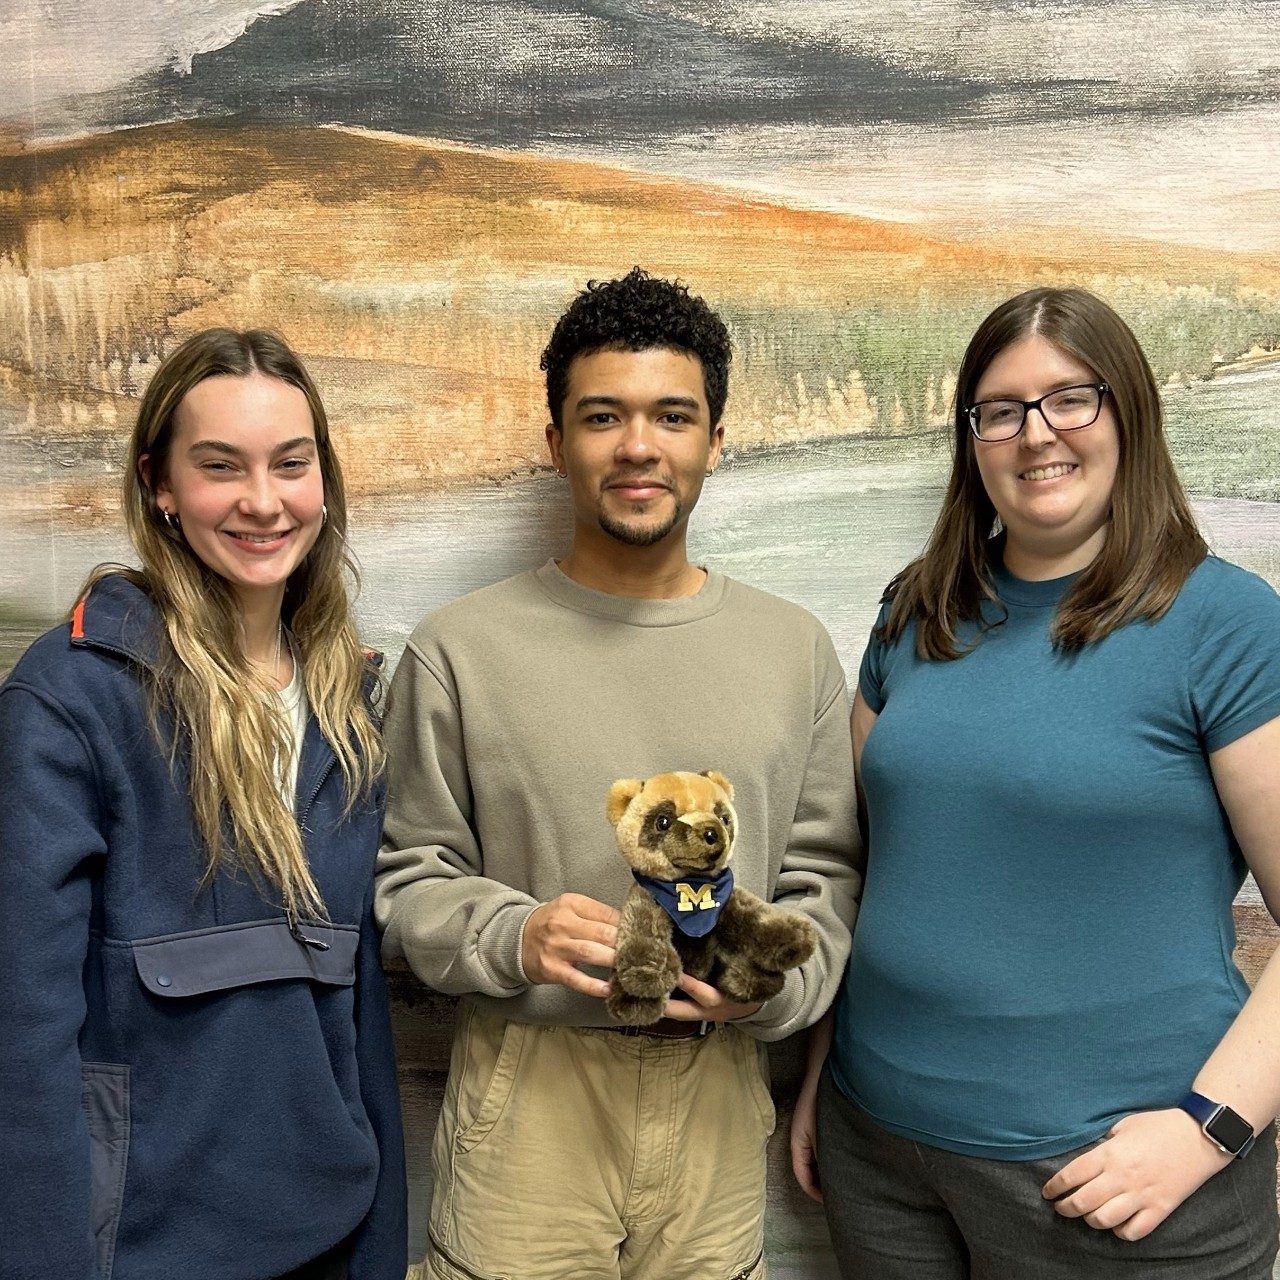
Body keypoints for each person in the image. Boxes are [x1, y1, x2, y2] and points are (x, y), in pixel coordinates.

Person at [376, 267, 860, 1280]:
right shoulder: (458, 649)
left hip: (718, 1102)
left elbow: (824, 881)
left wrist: (761, 989)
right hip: (528, 1097)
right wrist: (516, 931)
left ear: (713, 441)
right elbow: (404, 875)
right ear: (556, 442)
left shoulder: (793, 649)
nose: (637, 444)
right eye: (602, 415)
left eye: (670, 415)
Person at [791, 286, 1280, 1278]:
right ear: (970, 438)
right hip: (877, 1150)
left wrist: (1203, 1129)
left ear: (1126, 414)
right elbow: (864, 866)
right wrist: (815, 1074)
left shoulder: (1223, 623)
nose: (1034, 433)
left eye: (1070, 398)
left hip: (1108, 1177)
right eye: (999, 409)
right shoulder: (912, 613)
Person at [0, 329, 407, 1280]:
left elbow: (360, 1020)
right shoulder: (69, 697)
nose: (263, 502)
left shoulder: (348, 705)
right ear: (161, 485)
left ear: (322, 481)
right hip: (140, 1253)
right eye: (221, 467)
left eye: (289, 465)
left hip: (325, 1236)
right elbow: (21, 1034)